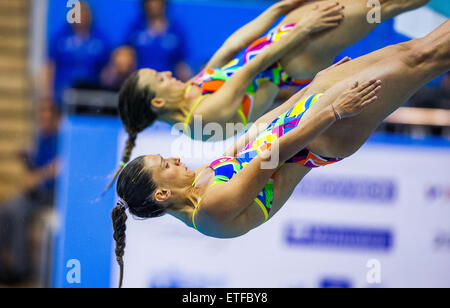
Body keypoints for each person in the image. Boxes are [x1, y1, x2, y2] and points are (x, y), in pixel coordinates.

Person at [111, 19, 450, 287]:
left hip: (304, 114)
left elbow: (253, 137)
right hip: (322, 135)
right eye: (165, 164)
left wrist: (313, 88)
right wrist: (331, 110)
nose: (175, 159)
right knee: (423, 62)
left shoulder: (198, 180)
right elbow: (270, 155)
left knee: (410, 52)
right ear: (162, 192)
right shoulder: (210, 212)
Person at [110, 0, 429, 189]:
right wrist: (303, 28)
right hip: (294, 57)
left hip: (280, 43)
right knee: (379, 7)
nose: (166, 73)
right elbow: (251, 68)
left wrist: (276, 11)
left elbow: (232, 49)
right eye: (159, 77)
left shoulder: (189, 90)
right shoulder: (200, 120)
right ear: (157, 102)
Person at [0, 101, 60, 284]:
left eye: (46, 116)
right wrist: (26, 157)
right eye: (40, 117)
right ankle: (4, 262)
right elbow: (36, 165)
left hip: (52, 196)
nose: (43, 120)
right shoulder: (43, 138)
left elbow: (57, 167)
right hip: (36, 195)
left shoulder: (63, 139)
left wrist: (38, 177)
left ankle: (21, 268)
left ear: (55, 118)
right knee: (5, 209)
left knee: (19, 212)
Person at [43, 1, 110, 107]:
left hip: (90, 92)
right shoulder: (60, 38)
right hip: (63, 91)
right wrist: (47, 93)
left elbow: (106, 70)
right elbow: (51, 66)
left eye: (84, 12)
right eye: (77, 13)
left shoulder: (100, 40)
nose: (81, 16)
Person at [126, 0, 192, 81]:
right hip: (140, 80)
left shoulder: (176, 29)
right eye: (151, 2)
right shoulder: (136, 27)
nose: (154, 5)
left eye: (158, 2)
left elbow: (182, 62)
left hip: (167, 80)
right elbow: (125, 53)